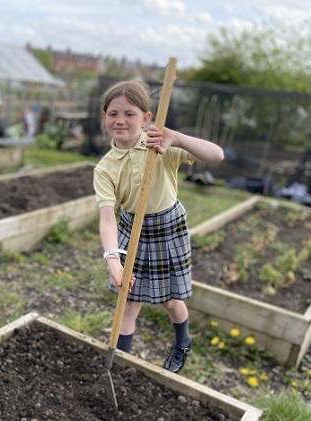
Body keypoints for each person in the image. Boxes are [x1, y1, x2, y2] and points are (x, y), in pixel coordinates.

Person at [93, 80, 224, 374]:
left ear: (146, 118)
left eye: (129, 113)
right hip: (131, 232)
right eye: (113, 113)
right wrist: (112, 258)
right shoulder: (104, 168)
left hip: (167, 229)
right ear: (104, 116)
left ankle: (182, 341)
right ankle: (120, 366)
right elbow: (107, 217)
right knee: (128, 301)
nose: (120, 120)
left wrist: (174, 138)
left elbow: (216, 155)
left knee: (170, 300)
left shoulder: (160, 146)